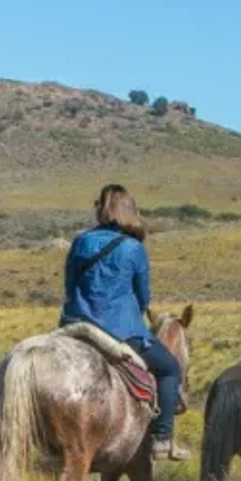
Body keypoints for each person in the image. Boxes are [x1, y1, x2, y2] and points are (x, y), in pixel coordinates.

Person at [60, 184, 187, 461]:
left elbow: (69, 288)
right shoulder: (134, 248)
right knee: (169, 368)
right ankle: (163, 438)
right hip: (120, 331)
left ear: (102, 209)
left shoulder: (81, 242)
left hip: (76, 329)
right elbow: (143, 297)